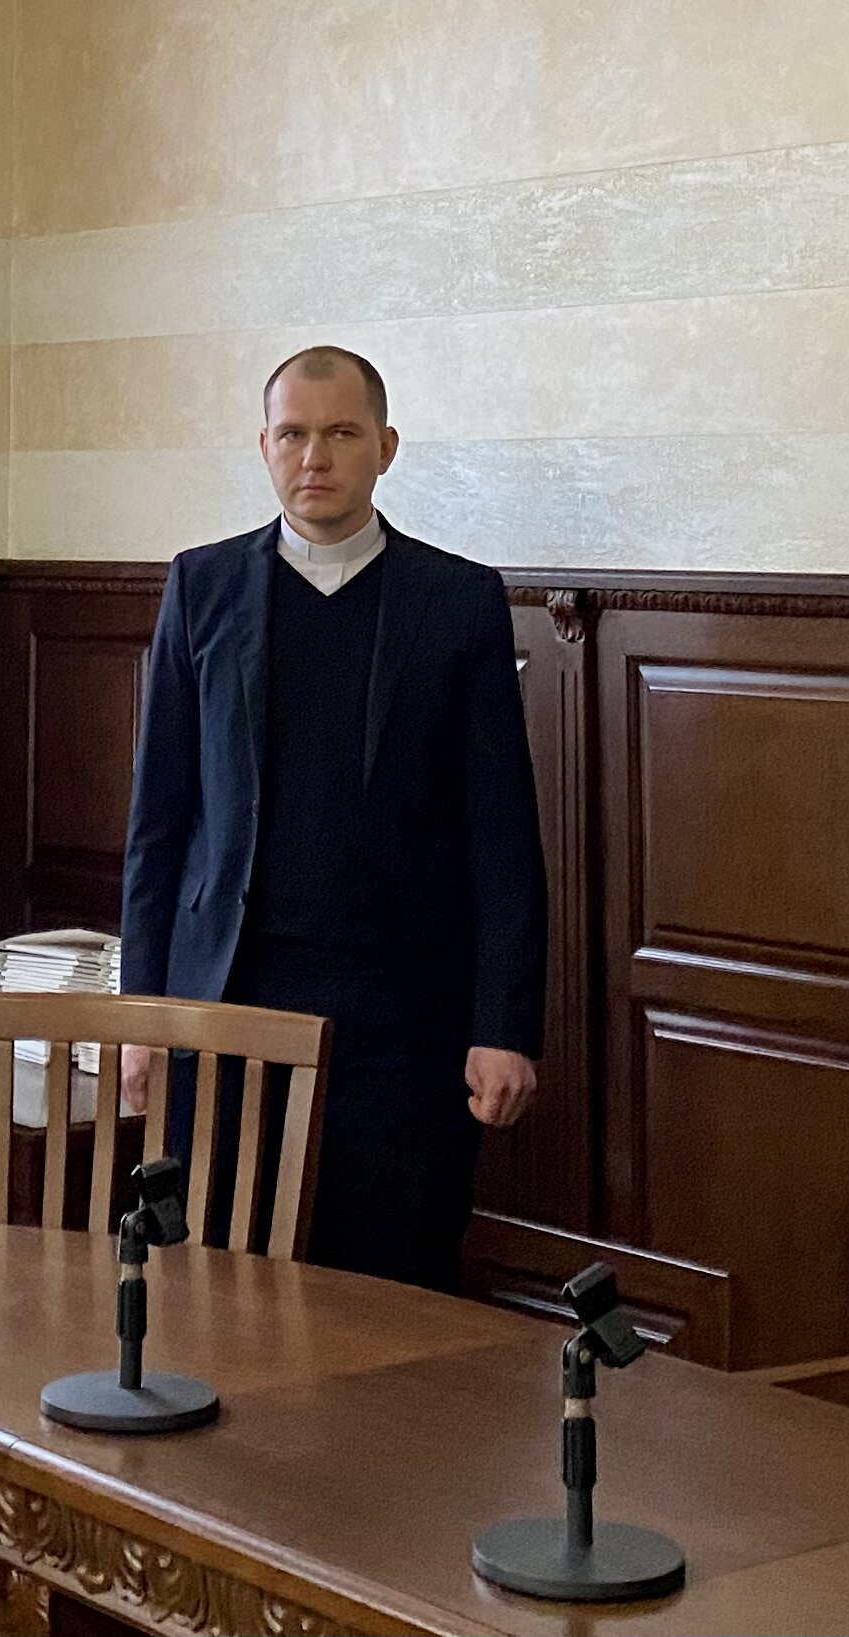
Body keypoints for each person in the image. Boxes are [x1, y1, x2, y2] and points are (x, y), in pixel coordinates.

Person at [118, 347, 548, 1289]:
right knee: (217, 1283)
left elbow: (503, 834)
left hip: (402, 1018)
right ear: (264, 446)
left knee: (393, 1287)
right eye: (294, 434)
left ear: (385, 447)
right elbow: (159, 824)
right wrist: (142, 1012)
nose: (315, 456)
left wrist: (505, 1023)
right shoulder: (202, 585)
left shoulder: (457, 599)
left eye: (342, 433)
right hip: (229, 1003)